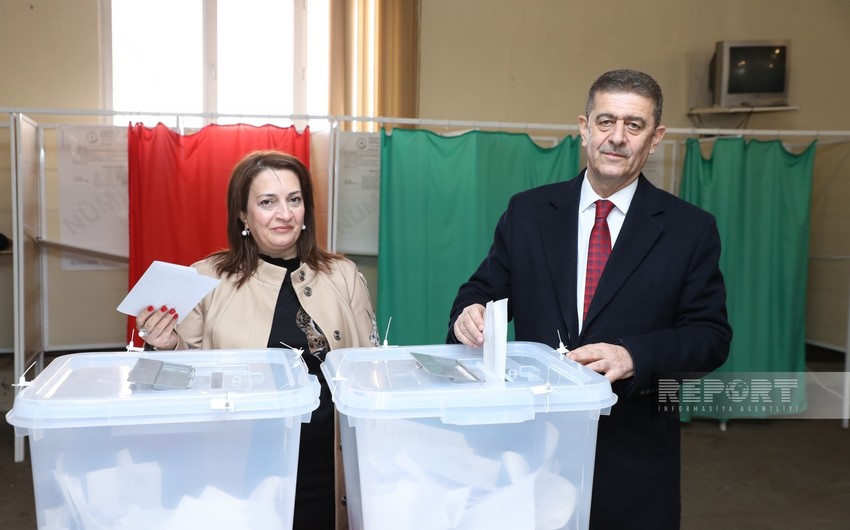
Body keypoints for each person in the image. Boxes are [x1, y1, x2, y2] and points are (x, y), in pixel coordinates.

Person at [448, 69, 732, 529]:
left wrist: (634, 355)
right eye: (605, 122)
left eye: (633, 125)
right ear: (584, 128)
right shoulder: (529, 212)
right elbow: (483, 289)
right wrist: (469, 313)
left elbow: (710, 337)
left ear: (655, 138)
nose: (617, 137)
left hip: (634, 460)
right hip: (531, 453)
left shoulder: (689, 230)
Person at [135, 150, 379, 530]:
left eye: (294, 200)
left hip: (326, 466)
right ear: (243, 215)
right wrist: (166, 347)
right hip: (236, 468)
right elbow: (171, 387)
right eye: (268, 202)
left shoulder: (343, 275)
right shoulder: (205, 280)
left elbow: (370, 370)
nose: (285, 214)